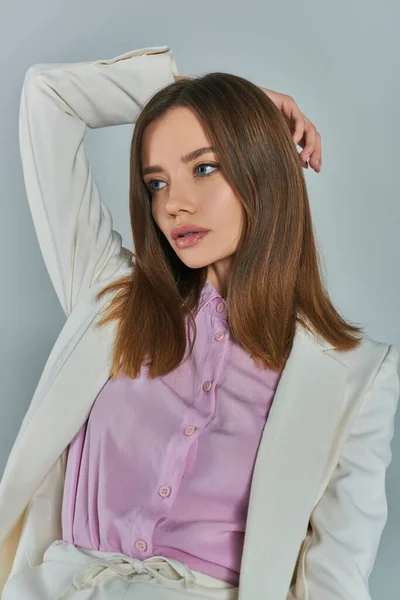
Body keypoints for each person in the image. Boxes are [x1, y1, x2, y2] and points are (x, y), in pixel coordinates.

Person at [0, 45, 398, 600]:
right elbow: (50, 97)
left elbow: (334, 578)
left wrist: (234, 114)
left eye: (204, 168)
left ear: (261, 165)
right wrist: (226, 98)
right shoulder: (110, 300)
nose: (173, 205)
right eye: (157, 182)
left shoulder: (357, 375)